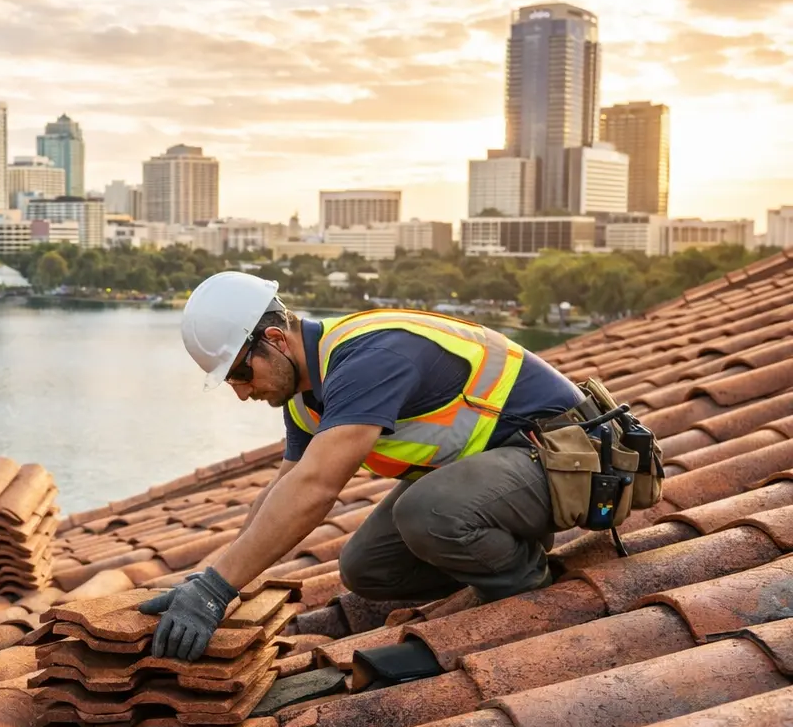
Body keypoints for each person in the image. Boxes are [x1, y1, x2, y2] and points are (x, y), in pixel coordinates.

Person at [139, 271, 585, 661]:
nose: (241, 392)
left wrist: (217, 591)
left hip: (571, 458)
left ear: (275, 340)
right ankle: (501, 553)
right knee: (366, 567)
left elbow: (316, 488)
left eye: (240, 373)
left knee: (427, 512)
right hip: (509, 474)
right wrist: (213, 578)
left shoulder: (370, 358)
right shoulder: (304, 399)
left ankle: (527, 593)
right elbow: (284, 491)